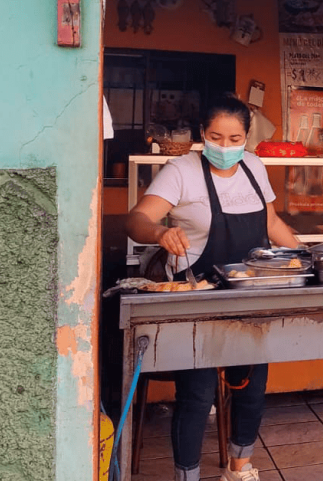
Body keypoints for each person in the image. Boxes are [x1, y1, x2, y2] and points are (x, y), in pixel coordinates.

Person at [126, 95, 301, 481]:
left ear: (246, 137)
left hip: (251, 291)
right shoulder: (181, 171)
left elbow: (271, 223)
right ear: (202, 134)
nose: (225, 147)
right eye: (216, 137)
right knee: (197, 393)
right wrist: (160, 232)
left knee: (252, 386)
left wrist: (305, 257)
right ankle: (186, 476)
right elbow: (136, 219)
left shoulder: (254, 166)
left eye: (235, 138)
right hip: (198, 293)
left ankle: (240, 468)